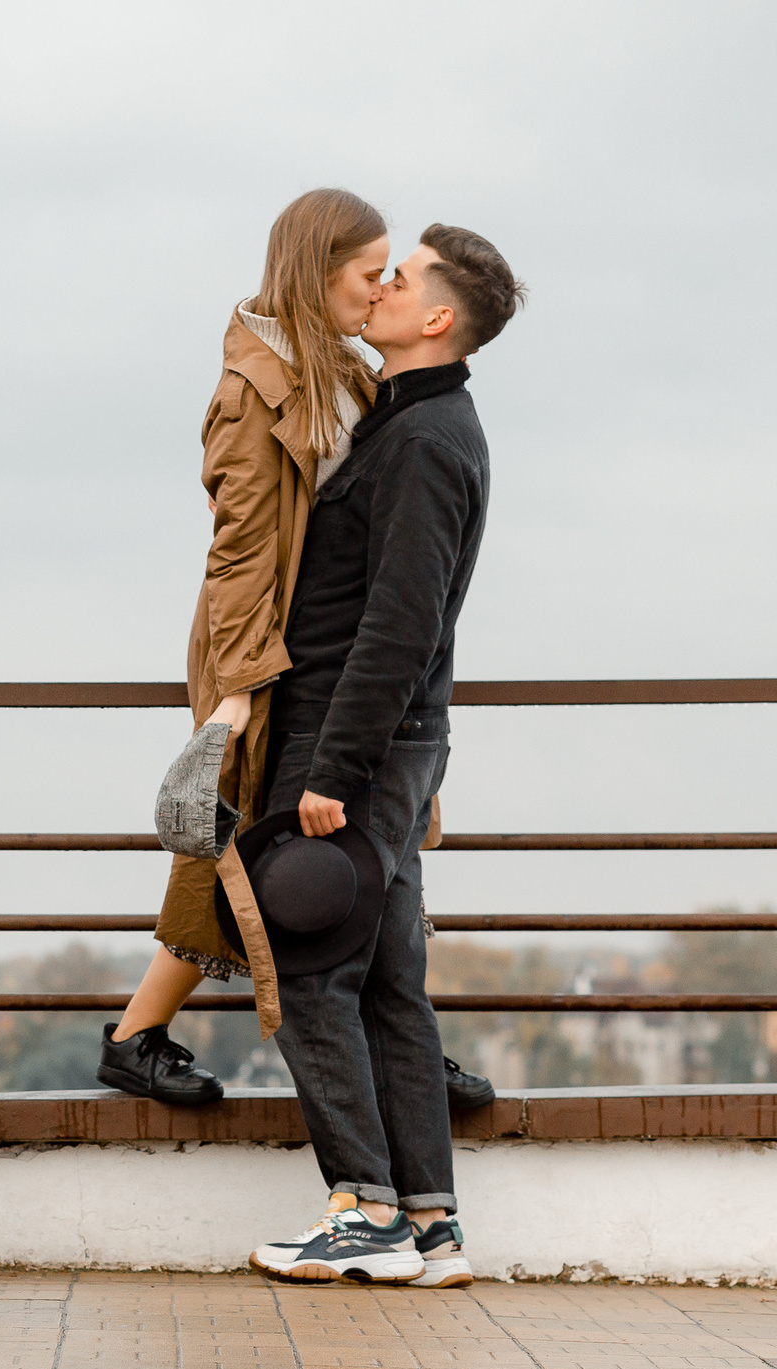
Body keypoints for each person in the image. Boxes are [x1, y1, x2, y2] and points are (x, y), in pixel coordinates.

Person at [245, 224, 525, 1287]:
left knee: (312, 969)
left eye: (399, 279)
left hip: (349, 739)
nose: (383, 286)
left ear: (437, 319)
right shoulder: (418, 423)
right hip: (394, 743)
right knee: (390, 986)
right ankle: (431, 1223)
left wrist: (331, 770)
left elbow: (400, 626)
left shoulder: (422, 441)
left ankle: (363, 1214)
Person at [95, 188, 386, 1107]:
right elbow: (242, 551)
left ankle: (396, 1038)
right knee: (236, 843)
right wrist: (239, 690)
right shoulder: (254, 388)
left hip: (326, 649)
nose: (380, 294)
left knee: (341, 839)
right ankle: (137, 1035)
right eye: (368, 275)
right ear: (318, 268)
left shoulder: (343, 369)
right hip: (264, 652)